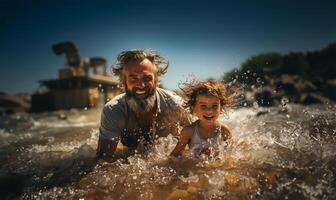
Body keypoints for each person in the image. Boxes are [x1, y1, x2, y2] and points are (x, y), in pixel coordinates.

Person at [97, 49, 190, 160]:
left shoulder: (176, 106)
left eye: (147, 78)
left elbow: (197, 145)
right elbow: (102, 161)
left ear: (156, 80)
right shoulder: (113, 111)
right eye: (133, 78)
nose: (141, 85)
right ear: (123, 81)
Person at [170, 80, 231, 159]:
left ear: (221, 108)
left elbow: (231, 157)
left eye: (214, 106)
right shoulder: (188, 131)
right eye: (203, 106)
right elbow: (174, 156)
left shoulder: (224, 131)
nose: (209, 110)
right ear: (194, 108)